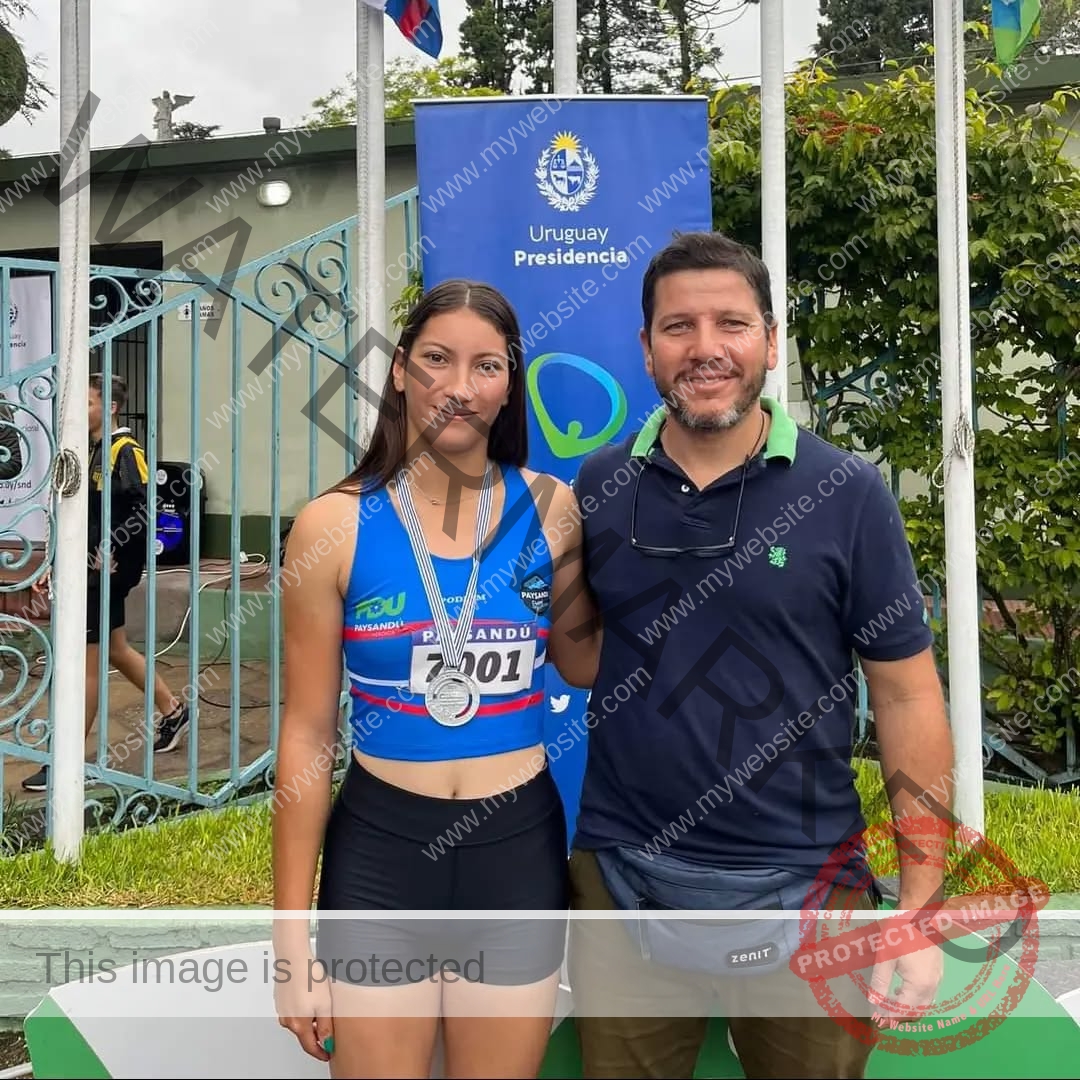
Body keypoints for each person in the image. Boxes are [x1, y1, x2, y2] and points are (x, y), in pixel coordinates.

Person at [566, 231, 954, 1078]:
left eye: (732, 324)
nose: (706, 349)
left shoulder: (847, 491)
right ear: (645, 348)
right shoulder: (599, 487)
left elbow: (907, 697)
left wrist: (919, 909)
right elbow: (588, 661)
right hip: (624, 870)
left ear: (771, 342)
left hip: (810, 881)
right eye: (679, 327)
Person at [272, 279, 599, 1078]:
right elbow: (308, 732)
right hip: (383, 852)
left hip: (516, 848)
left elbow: (585, 661)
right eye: (437, 360)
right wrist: (290, 939)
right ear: (399, 373)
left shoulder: (553, 509)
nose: (459, 388)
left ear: (509, 383)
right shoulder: (333, 525)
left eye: (487, 366)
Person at [23, 374, 189, 793]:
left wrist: (113, 555)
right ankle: (173, 711)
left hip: (106, 573)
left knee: (87, 662)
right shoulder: (92, 450)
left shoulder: (124, 451)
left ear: (110, 408)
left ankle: (68, 761)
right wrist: (57, 561)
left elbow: (144, 508)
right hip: (90, 568)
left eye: (88, 402)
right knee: (115, 649)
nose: (80, 410)